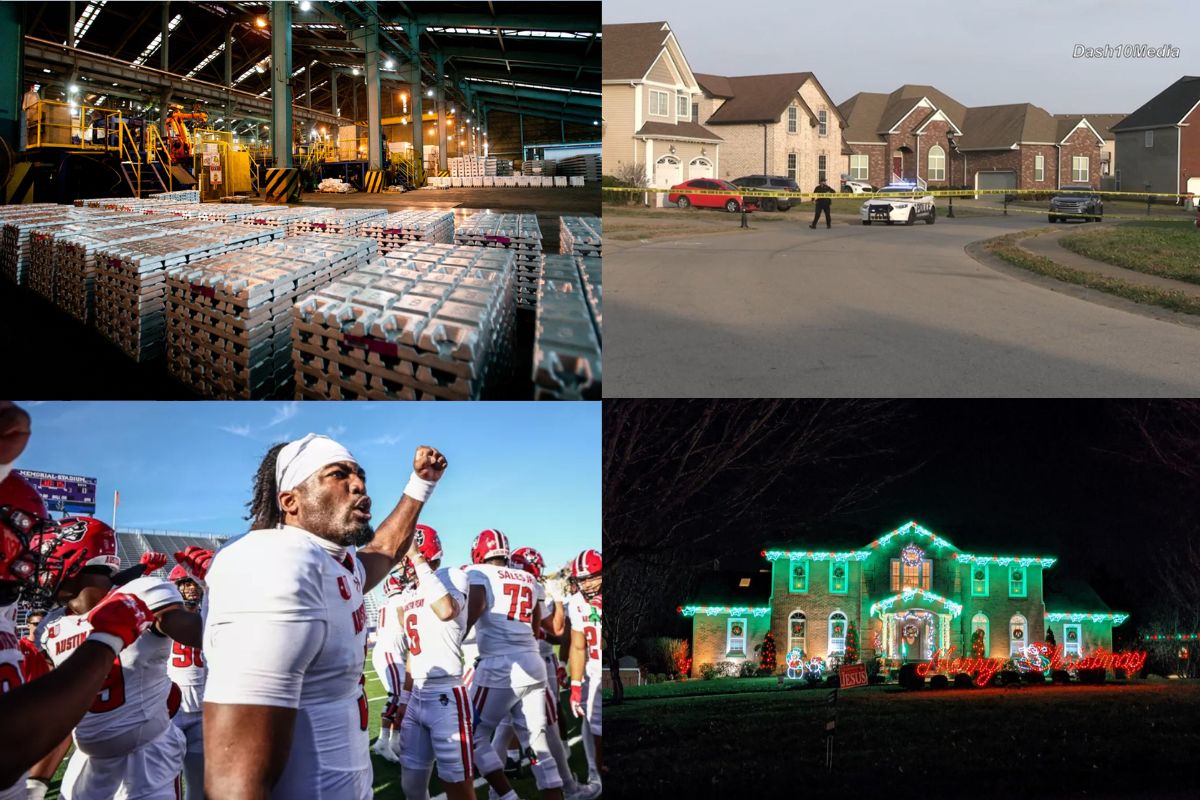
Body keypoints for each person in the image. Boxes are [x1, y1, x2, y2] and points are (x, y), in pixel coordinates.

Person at [201, 434, 446, 799]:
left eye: (359, 474)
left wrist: (421, 484)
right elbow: (233, 781)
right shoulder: (275, 561)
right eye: (338, 474)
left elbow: (384, 549)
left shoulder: (333, 560)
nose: (359, 484)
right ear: (290, 501)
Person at [0, 473, 157, 800]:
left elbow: (56, 711)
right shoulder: (51, 626)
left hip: (144, 757)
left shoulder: (140, 594)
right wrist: (105, 642)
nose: (32, 560)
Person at [466, 529, 563, 800]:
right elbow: (535, 631)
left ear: (478, 552)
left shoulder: (479, 573)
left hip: (500, 667)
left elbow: (472, 614)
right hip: (532, 663)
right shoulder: (528, 579)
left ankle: (507, 796)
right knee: (537, 745)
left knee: (469, 734)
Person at [501, 547, 598, 800]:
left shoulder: (498, 586)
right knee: (544, 724)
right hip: (532, 664)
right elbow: (557, 629)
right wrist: (556, 599)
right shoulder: (532, 587)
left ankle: (500, 784)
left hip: (501, 666)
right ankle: (564, 783)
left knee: (499, 725)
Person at [393, 526, 475, 800]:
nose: (401, 565)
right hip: (417, 694)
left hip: (446, 696)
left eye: (405, 556)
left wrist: (417, 559)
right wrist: (404, 699)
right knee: (412, 787)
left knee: (458, 787)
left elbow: (445, 610)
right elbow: (413, 652)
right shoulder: (409, 592)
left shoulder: (452, 576)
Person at [166, 558, 210, 800]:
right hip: (172, 708)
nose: (192, 588)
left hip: (202, 707)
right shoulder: (162, 620)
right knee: (164, 780)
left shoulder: (209, 617)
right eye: (185, 583)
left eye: (194, 584)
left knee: (198, 781)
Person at [566, 549, 603, 788]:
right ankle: (595, 777)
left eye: (591, 577)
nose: (587, 584)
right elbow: (578, 646)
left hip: (604, 672)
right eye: (582, 579)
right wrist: (575, 685)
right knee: (590, 725)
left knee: (597, 728)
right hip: (592, 672)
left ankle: (598, 778)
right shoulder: (576, 602)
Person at [370, 561, 412, 764]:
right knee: (397, 696)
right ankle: (383, 741)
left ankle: (395, 740)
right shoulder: (400, 600)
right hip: (390, 652)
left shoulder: (385, 604)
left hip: (390, 651)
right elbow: (406, 623)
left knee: (404, 698)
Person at [20, 84, 40, 151]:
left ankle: (29, 143)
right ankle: (28, 143)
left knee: (30, 127)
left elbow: (23, 105)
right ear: (31, 87)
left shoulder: (31, 94)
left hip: (31, 112)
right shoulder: (32, 94)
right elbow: (38, 103)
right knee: (29, 127)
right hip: (31, 112)